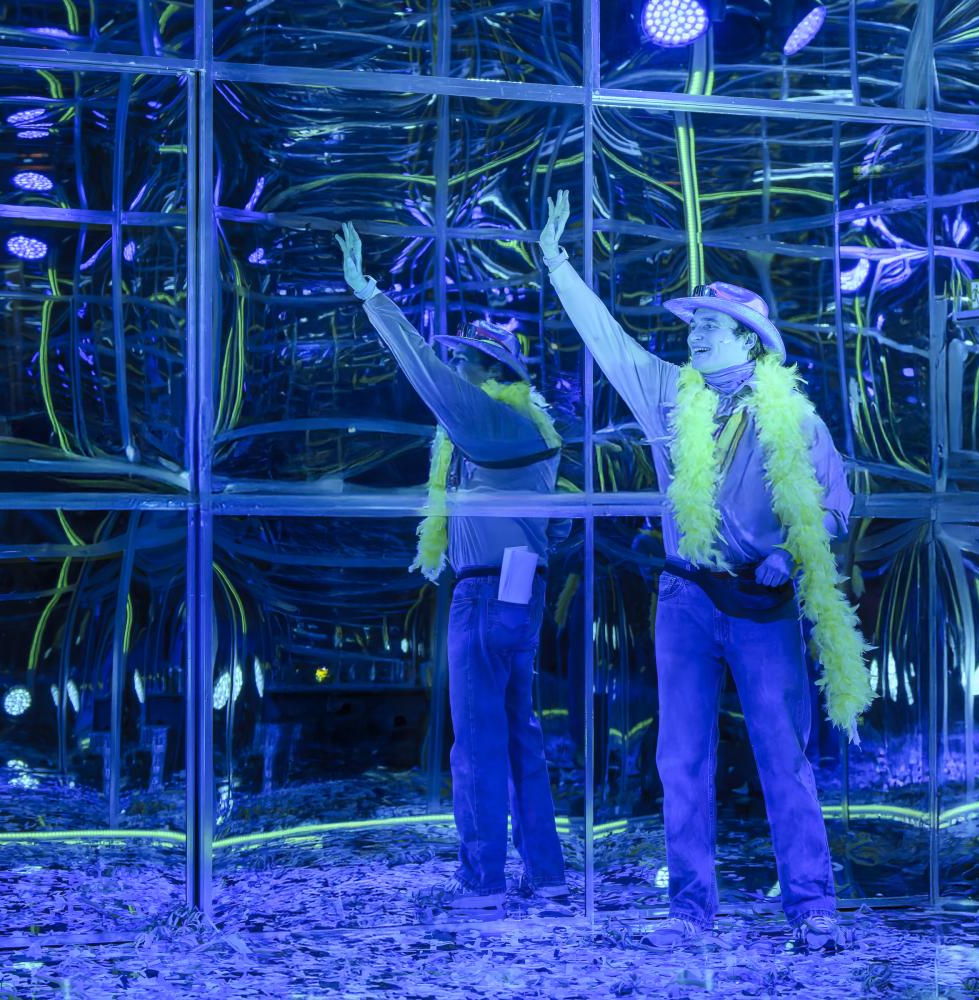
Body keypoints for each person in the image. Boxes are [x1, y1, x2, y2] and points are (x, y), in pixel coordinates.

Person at [538, 190, 873, 951]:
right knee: (680, 758)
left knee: (783, 756)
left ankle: (812, 906)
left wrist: (788, 554)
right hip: (685, 596)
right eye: (692, 325)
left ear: (749, 341)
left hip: (761, 601)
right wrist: (556, 264)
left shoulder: (796, 419)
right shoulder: (668, 395)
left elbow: (834, 507)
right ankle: (689, 912)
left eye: (710, 326)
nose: (694, 334)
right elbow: (608, 340)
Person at [337, 222, 568, 912]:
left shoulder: (493, 423)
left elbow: (426, 376)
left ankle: (483, 881)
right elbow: (547, 521)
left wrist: (373, 299)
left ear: (494, 378)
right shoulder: (520, 433)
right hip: (518, 586)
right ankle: (546, 875)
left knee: (478, 741)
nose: (457, 370)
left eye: (467, 362)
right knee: (518, 733)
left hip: (487, 592)